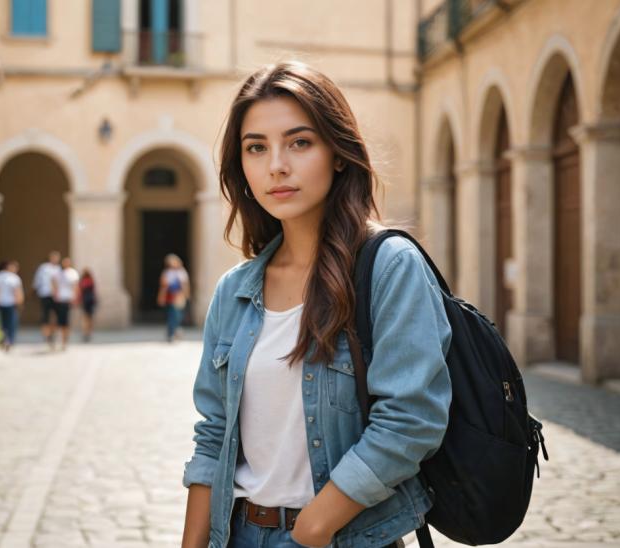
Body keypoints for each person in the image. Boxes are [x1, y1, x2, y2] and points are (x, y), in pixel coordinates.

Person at [181, 62, 452, 548]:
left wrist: (313, 526)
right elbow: (214, 434)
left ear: (339, 153)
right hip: (238, 533)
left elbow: (411, 419)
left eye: (299, 142)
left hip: (341, 537)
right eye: (256, 147)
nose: (276, 166)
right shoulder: (235, 291)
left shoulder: (388, 266)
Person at [0, 260, 24, 352]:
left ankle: (3, 340)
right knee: (11, 323)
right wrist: (20, 303)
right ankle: (9, 340)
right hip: (11, 303)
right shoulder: (14, 278)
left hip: (0, 302)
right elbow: (18, 292)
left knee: (2, 323)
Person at [157, 253, 190, 342]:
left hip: (179, 296)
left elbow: (185, 285)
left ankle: (174, 330)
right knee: (172, 314)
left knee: (178, 315)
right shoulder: (167, 272)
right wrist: (161, 296)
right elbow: (163, 285)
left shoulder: (181, 272)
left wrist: (186, 295)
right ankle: (171, 332)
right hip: (170, 296)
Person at [32, 251, 62, 346]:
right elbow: (37, 280)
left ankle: (53, 333)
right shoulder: (44, 268)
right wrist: (35, 290)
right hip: (45, 294)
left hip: (56, 296)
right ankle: (47, 335)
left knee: (56, 315)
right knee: (45, 315)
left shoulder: (59, 269)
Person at [51, 256, 79, 351]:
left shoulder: (73, 273)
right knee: (58, 320)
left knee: (65, 321)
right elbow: (54, 282)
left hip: (67, 299)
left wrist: (74, 298)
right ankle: (56, 340)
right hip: (59, 299)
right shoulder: (59, 273)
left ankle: (64, 341)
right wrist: (55, 294)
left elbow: (75, 286)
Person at [76, 268, 98, 342]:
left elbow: (79, 292)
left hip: (85, 301)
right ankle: (89, 332)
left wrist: (78, 300)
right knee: (90, 318)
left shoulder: (82, 282)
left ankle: (86, 332)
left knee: (85, 317)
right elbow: (94, 292)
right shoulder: (91, 281)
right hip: (90, 301)